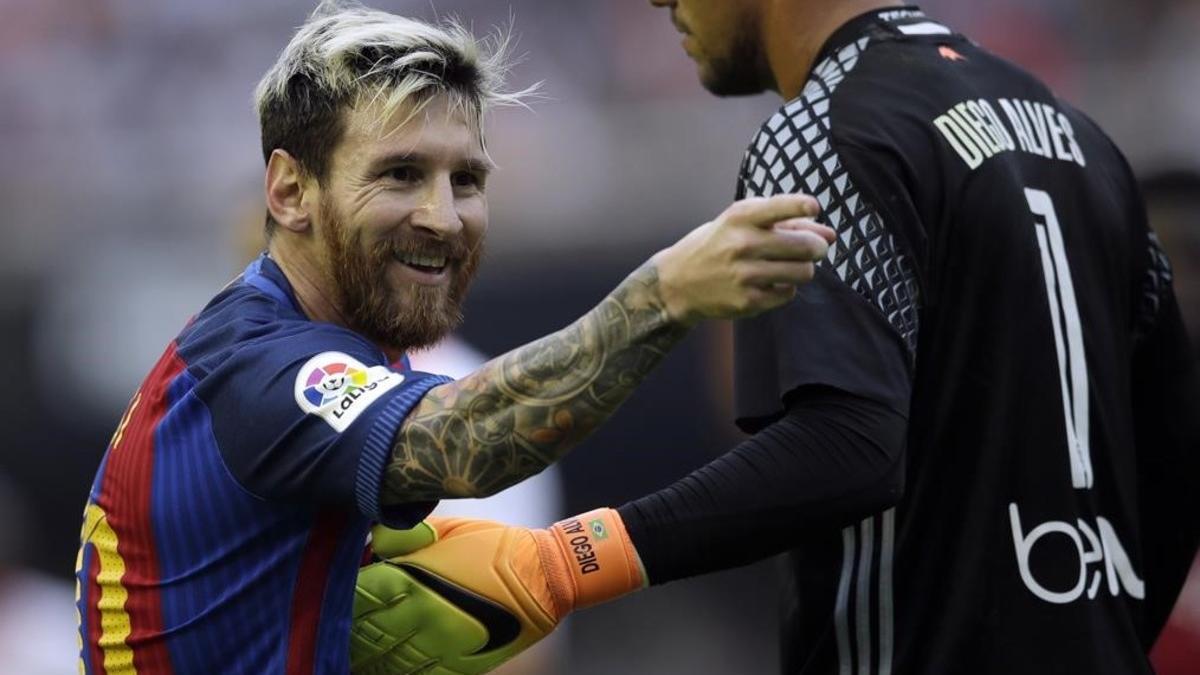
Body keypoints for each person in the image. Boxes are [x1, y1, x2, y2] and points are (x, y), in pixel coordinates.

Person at [355, 1, 1200, 674]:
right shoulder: (1078, 138)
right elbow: (1176, 445)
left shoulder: (826, 130)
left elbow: (850, 443)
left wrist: (565, 562)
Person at [71, 2, 836, 673]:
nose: (444, 216)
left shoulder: (338, 345)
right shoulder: (262, 364)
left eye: (466, 180)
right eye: (401, 174)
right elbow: (468, 439)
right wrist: (665, 295)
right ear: (290, 190)